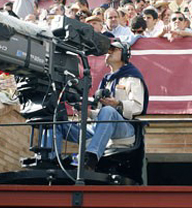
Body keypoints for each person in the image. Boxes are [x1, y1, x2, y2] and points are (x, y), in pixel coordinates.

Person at [49, 41, 148, 171]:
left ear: (124, 54)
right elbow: (101, 114)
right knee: (57, 122)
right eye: (108, 50)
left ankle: (90, 158)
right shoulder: (106, 81)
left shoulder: (132, 77)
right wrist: (88, 113)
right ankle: (52, 159)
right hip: (100, 127)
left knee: (108, 110)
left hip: (124, 130)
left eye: (114, 49)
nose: (109, 52)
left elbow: (137, 107)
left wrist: (118, 103)